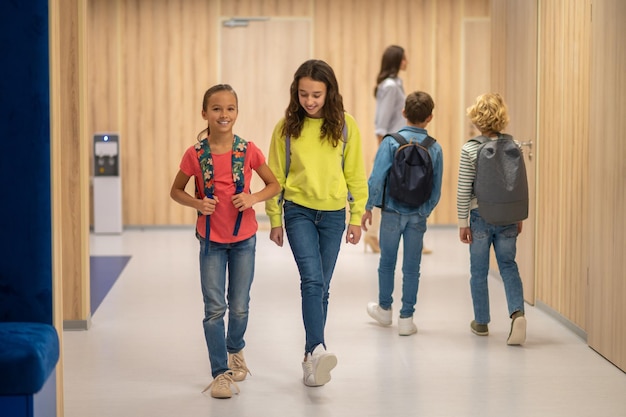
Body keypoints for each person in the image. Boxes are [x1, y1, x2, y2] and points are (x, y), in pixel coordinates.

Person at [170, 84, 280, 399]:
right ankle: (220, 372)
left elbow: (273, 184)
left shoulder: (249, 150)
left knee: (241, 306)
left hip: (244, 238)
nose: (224, 114)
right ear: (205, 113)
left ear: (237, 113)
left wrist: (253, 196)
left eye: (230, 108)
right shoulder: (195, 154)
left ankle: (236, 349)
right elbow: (176, 190)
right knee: (215, 308)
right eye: (216, 109)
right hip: (210, 242)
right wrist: (197, 204)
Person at [265, 59, 368, 387]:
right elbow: (275, 175)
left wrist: (356, 216)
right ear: (295, 92)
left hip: (334, 215)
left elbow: (355, 174)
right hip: (298, 212)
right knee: (311, 281)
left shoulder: (345, 125)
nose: (309, 101)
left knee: (322, 287)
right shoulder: (285, 128)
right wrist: (274, 218)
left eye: (316, 95)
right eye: (303, 94)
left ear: (329, 93)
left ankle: (311, 359)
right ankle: (317, 348)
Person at [362, 91, 443, 336]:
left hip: (392, 212)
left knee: (387, 262)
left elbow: (377, 178)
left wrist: (369, 207)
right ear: (430, 117)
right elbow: (437, 187)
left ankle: (385, 310)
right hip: (417, 215)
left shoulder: (391, 142)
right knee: (412, 266)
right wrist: (424, 210)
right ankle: (407, 318)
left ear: (403, 113)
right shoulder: (435, 147)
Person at [456, 92, 527, 346]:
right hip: (508, 217)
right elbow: (517, 186)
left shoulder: (470, 149)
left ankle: (481, 322)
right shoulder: (514, 146)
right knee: (508, 265)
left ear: (476, 119)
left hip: (479, 217)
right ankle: (517, 312)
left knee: (479, 270)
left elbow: (464, 189)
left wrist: (463, 223)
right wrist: (518, 215)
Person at [365, 45, 433, 254]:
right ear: (396, 61)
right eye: (404, 58)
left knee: (405, 187)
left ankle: (411, 238)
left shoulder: (396, 84)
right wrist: (383, 149)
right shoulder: (390, 86)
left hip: (400, 144)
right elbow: (382, 122)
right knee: (385, 188)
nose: (407, 61)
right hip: (394, 145)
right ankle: (372, 235)